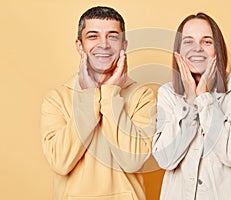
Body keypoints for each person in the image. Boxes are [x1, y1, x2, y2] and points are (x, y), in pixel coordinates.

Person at [41, 6, 156, 200]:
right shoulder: (56, 98)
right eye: (93, 36)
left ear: (124, 45)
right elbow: (60, 162)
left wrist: (110, 94)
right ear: (79, 45)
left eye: (112, 36)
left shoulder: (142, 96)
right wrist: (89, 97)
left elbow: (133, 160)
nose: (104, 44)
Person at [152, 12, 231, 199]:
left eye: (206, 42)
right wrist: (191, 101)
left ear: (217, 49)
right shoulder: (168, 94)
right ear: (178, 51)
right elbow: (165, 159)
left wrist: (203, 98)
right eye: (188, 42)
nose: (197, 49)